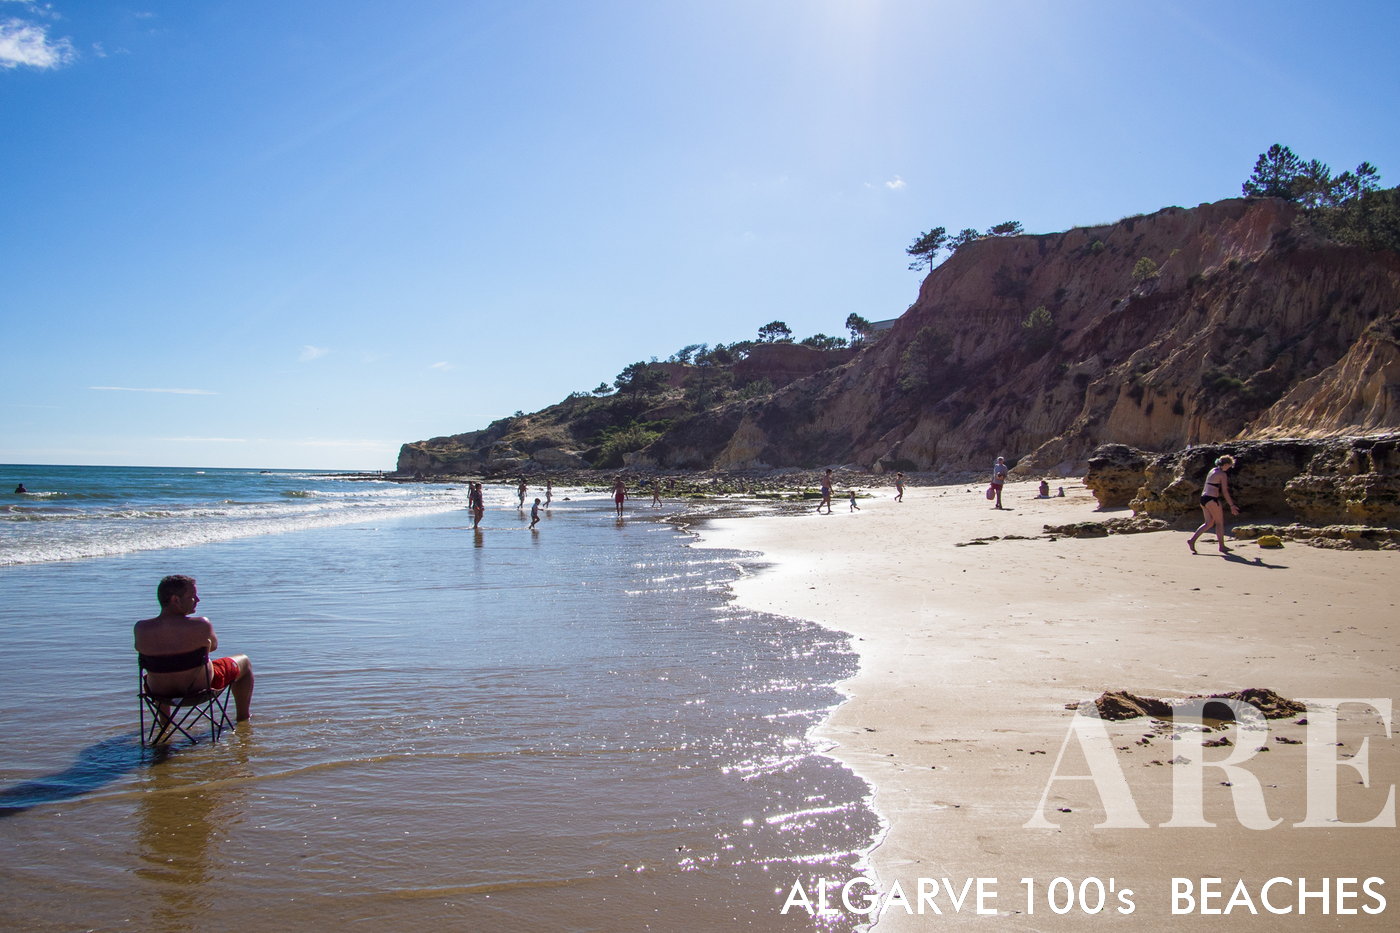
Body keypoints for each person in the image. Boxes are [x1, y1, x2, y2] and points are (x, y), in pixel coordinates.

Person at [134, 575, 253, 721]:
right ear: (175, 600)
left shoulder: (141, 628)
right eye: (192, 596)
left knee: (161, 669)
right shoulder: (201, 624)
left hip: (159, 692)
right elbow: (213, 646)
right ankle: (243, 718)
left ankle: (164, 723)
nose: (197, 600)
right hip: (200, 689)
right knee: (244, 662)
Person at [1188, 455, 1239, 554]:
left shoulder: (1212, 470)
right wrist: (1232, 505)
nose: (1229, 468)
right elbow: (1225, 491)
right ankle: (1222, 546)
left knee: (1209, 523)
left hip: (1203, 499)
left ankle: (1192, 540)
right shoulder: (1222, 474)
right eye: (1229, 465)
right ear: (1225, 464)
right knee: (1219, 523)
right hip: (1212, 499)